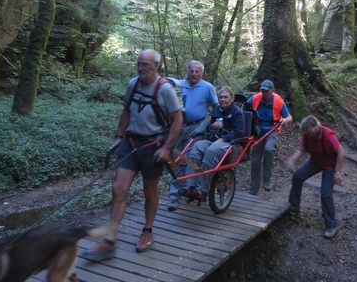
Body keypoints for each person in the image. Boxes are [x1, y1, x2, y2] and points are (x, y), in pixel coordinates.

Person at [83, 49, 183, 261]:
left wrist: (166, 147)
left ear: (156, 66)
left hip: (153, 146)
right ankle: (109, 240)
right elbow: (127, 111)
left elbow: (177, 120)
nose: (140, 68)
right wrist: (119, 136)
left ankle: (147, 231)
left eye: (145, 64)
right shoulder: (133, 84)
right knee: (118, 189)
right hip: (130, 143)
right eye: (139, 63)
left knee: (150, 191)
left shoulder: (165, 90)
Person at [167, 60, 218, 211]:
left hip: (197, 127)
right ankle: (187, 186)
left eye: (197, 71)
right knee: (174, 159)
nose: (194, 74)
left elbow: (216, 106)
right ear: (187, 71)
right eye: (191, 71)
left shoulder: (207, 87)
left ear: (202, 73)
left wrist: (215, 124)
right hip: (178, 126)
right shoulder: (178, 85)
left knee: (186, 158)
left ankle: (175, 195)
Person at [178, 86, 246, 201]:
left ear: (232, 98)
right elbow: (209, 127)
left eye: (226, 97)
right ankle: (190, 185)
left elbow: (240, 132)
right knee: (197, 147)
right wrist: (212, 126)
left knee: (211, 151)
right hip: (213, 138)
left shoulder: (236, 112)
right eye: (221, 97)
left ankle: (202, 189)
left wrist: (224, 139)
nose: (223, 99)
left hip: (229, 142)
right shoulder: (216, 110)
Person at [286, 115, 344, 239]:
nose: (307, 135)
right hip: (315, 161)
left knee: (325, 193)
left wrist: (337, 172)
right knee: (297, 176)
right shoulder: (306, 135)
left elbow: (340, 152)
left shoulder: (328, 135)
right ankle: (294, 206)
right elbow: (302, 150)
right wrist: (292, 159)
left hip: (330, 165)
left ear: (315, 128)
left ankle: (332, 225)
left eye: (308, 132)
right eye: (305, 133)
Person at [247, 79, 293, 195]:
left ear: (272, 91)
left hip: (272, 130)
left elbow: (289, 117)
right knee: (255, 160)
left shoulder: (278, 100)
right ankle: (253, 190)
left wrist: (284, 120)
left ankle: (267, 181)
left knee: (269, 149)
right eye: (262, 90)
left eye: (267, 91)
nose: (264, 93)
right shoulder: (256, 98)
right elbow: (245, 108)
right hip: (257, 131)